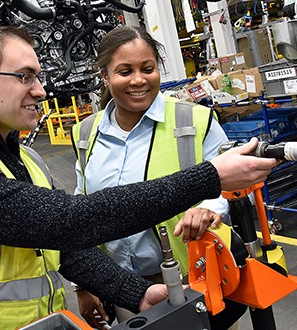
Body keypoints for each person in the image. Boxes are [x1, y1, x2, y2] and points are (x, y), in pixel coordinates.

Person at [0, 25, 279, 330]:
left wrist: (134, 293)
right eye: (25, 77)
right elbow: (70, 221)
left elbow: (58, 247)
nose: (41, 90)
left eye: (39, 76)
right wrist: (209, 177)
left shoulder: (20, 157)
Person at [71, 26, 247, 329]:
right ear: (104, 76)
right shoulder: (86, 132)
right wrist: (85, 285)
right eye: (124, 71)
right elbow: (81, 210)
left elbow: (225, 183)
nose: (138, 80)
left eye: (147, 68)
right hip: (127, 290)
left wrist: (208, 209)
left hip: (195, 281)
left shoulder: (193, 120)